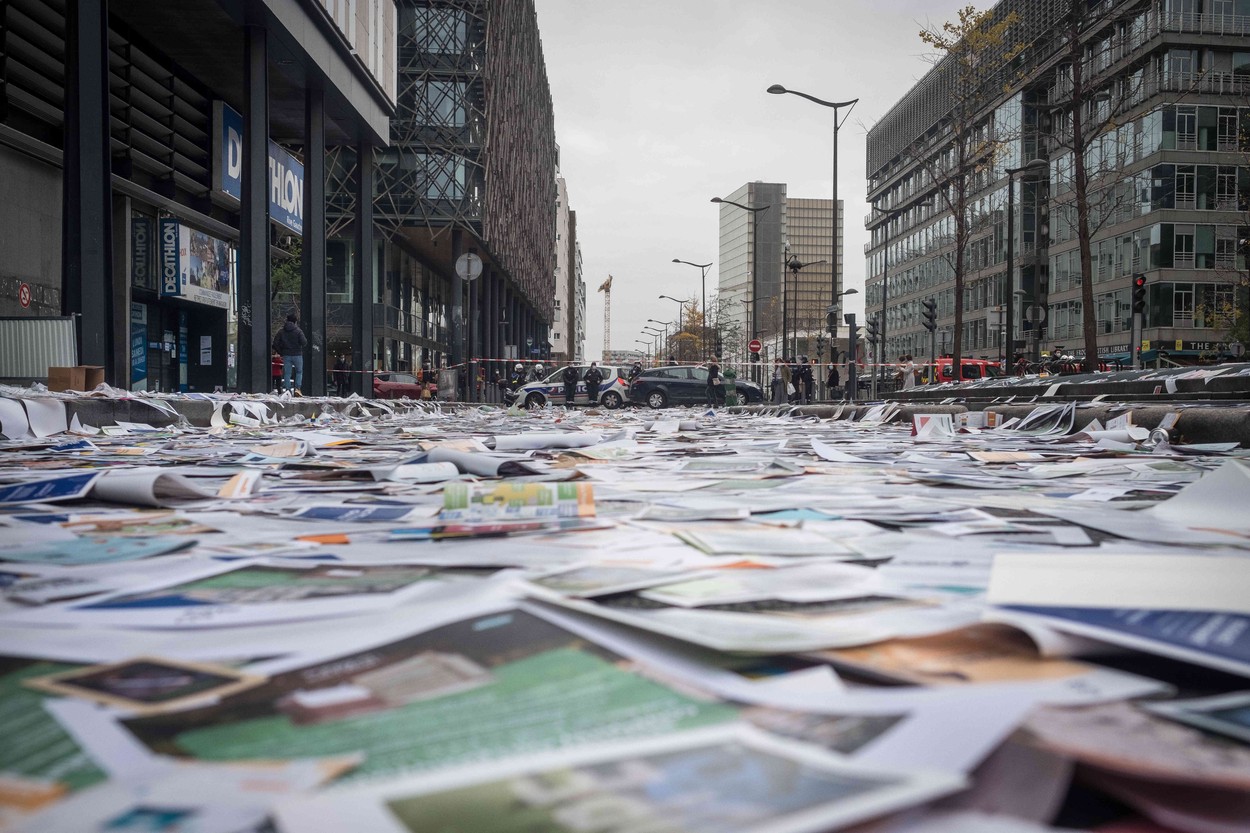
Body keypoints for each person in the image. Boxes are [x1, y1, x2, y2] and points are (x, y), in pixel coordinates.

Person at [271, 312, 307, 393]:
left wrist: (281, 352)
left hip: (286, 355)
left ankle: (287, 390)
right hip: (297, 354)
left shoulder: (281, 331)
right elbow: (304, 342)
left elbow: (275, 343)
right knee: (299, 372)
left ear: (287, 320)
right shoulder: (298, 331)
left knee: (287, 373)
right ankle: (297, 389)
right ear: (295, 322)